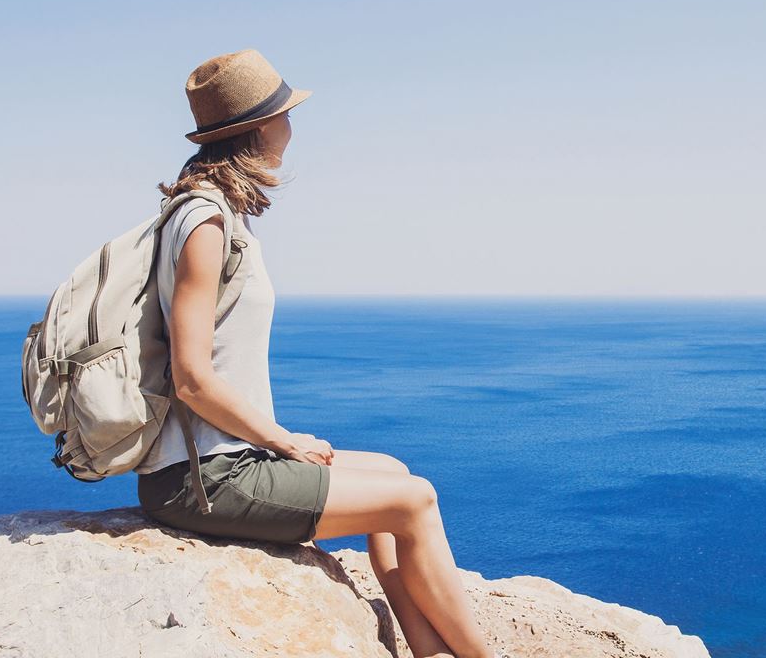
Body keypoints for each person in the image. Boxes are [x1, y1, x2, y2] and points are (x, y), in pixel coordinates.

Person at [133, 48, 503, 658]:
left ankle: (429, 650)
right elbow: (192, 379)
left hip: (220, 461)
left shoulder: (213, 212)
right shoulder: (204, 224)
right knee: (416, 500)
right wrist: (282, 440)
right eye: (284, 115)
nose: (291, 127)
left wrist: (273, 439)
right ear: (257, 129)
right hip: (205, 480)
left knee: (393, 473)